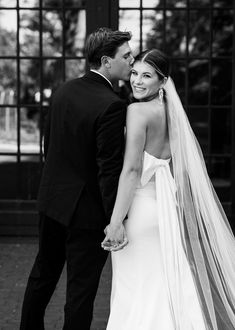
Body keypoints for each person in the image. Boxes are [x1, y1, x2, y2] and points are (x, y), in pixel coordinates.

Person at [102, 49, 235, 329]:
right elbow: (177, 167)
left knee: (135, 289)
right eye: (135, 73)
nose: (137, 81)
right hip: (164, 210)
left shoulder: (137, 111)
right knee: (164, 284)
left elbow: (132, 171)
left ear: (163, 82)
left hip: (138, 212)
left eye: (147, 76)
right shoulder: (173, 113)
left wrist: (115, 223)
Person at [20, 27, 133, 330]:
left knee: (42, 275)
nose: (132, 62)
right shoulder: (112, 105)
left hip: (52, 202)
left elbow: (49, 147)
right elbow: (107, 170)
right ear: (107, 61)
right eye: (127, 56)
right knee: (80, 292)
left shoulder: (63, 90)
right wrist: (116, 218)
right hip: (86, 213)